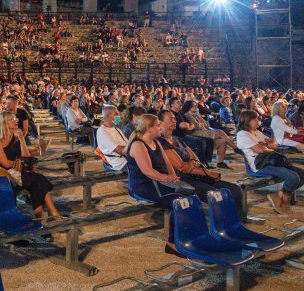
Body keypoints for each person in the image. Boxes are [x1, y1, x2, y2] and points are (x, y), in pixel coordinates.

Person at [157, 110, 244, 216]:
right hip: (182, 179)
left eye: (174, 118)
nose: (174, 120)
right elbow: (181, 167)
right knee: (217, 196)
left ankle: (237, 222)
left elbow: (195, 159)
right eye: (170, 119)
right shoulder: (161, 142)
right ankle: (224, 225)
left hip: (195, 174)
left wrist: (192, 164)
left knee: (235, 190)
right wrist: (196, 166)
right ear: (160, 123)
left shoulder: (176, 139)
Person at [124, 114, 184, 254]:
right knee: (179, 202)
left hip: (158, 182)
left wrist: (173, 176)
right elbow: (147, 171)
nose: (159, 128)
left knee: (188, 198)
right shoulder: (138, 144)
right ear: (149, 128)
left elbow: (167, 163)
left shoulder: (156, 142)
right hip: (142, 186)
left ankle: (186, 238)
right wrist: (167, 179)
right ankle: (173, 243)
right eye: (157, 125)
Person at [0, 111, 60, 222]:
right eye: (12, 120)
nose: (15, 122)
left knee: (38, 181)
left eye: (16, 119)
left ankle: (45, 216)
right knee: (38, 180)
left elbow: (26, 157)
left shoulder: (16, 138)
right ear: (4, 123)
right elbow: (4, 163)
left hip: (21, 174)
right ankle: (49, 215)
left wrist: (22, 139)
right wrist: (19, 163)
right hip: (7, 176)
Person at [237, 110, 304, 213]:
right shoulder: (243, 134)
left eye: (257, 118)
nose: (257, 120)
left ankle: (280, 195)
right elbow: (259, 150)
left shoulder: (256, 132)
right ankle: (284, 196)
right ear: (247, 120)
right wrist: (266, 146)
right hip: (259, 166)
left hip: (271, 160)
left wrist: (265, 145)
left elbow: (274, 143)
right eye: (254, 118)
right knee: (293, 177)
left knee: (302, 174)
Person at [95, 105, 128, 171]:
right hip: (119, 163)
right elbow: (119, 150)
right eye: (116, 114)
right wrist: (134, 149)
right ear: (108, 116)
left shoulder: (116, 129)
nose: (119, 116)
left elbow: (127, 143)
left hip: (127, 158)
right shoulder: (102, 131)